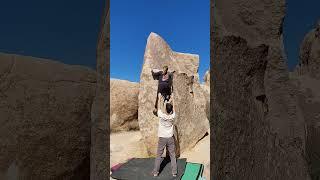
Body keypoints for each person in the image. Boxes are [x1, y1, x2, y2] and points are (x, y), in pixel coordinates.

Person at [152, 94, 177, 177]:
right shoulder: (173, 116)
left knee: (159, 155)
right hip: (170, 138)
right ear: (171, 110)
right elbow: (174, 108)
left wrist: (159, 99)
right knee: (172, 155)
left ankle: (156, 172)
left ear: (165, 110)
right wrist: (173, 99)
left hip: (162, 138)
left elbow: (159, 108)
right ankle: (174, 172)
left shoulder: (161, 115)